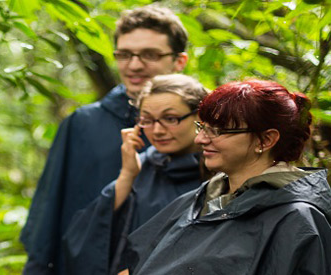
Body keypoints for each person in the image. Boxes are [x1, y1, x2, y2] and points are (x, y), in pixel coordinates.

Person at [21, 5, 189, 273]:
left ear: (179, 61)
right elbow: (47, 217)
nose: (134, 65)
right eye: (124, 54)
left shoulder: (202, 126)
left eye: (149, 55)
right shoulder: (83, 124)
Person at [125, 80, 331, 274]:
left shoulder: (296, 220)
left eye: (217, 131)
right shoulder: (203, 198)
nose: (200, 139)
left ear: (266, 140)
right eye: (202, 127)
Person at [61, 74, 209, 274]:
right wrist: (127, 175)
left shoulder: (223, 170)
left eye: (170, 118)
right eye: (147, 120)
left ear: (200, 116)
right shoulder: (146, 165)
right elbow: (86, 238)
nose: (157, 130)